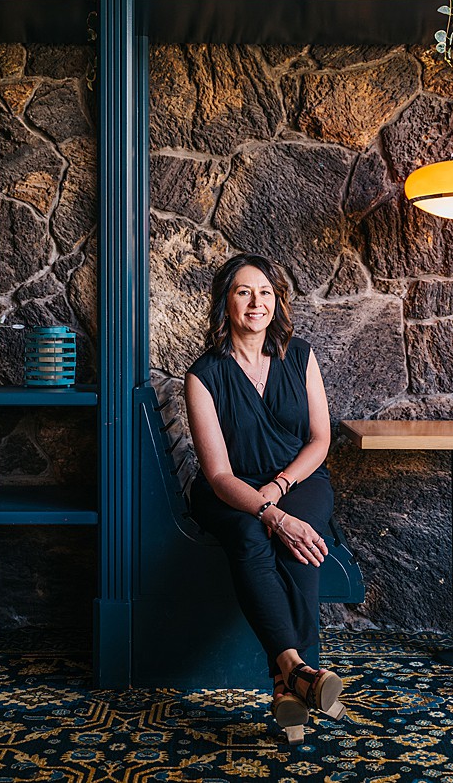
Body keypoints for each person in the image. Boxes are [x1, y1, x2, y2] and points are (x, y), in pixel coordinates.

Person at [185, 253, 345, 742]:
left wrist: (278, 494)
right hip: (230, 491)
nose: (257, 303)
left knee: (302, 543)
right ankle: (299, 673)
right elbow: (216, 474)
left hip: (298, 480)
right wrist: (267, 512)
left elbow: (320, 440)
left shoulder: (301, 355)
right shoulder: (203, 375)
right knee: (252, 536)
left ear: (277, 302)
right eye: (243, 292)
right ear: (225, 303)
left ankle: (286, 683)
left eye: (266, 293)